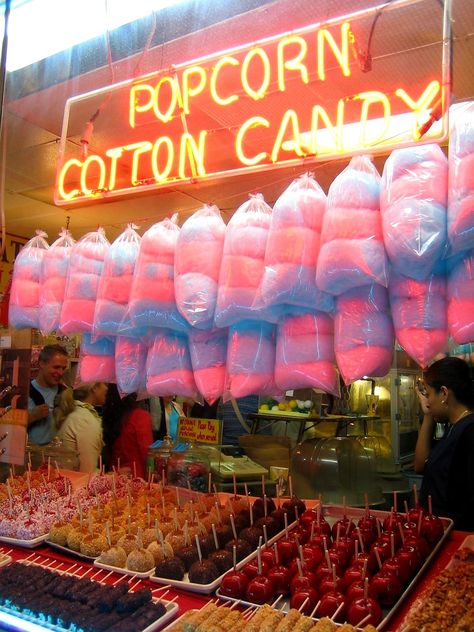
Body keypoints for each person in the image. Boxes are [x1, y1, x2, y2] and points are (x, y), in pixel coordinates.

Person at [415, 356, 474, 530]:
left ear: (444, 393)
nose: (427, 401)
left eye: (429, 393)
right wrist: (427, 415)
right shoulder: (454, 427)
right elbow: (421, 465)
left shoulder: (469, 431)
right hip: (441, 532)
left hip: (458, 537)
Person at [101, 384, 154, 479]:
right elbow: (147, 454)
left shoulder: (109, 416)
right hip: (136, 478)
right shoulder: (140, 417)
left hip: (114, 476)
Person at [54, 382, 108, 473]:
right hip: (75, 484)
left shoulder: (78, 413)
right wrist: (111, 477)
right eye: (105, 384)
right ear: (94, 388)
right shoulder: (85, 420)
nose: (107, 389)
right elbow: (87, 473)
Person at [28, 344, 69, 445]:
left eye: (63, 368)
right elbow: (8, 428)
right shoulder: (24, 392)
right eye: (56, 367)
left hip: (56, 455)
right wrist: (32, 417)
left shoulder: (65, 393)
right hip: (30, 455)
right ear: (41, 363)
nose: (60, 373)